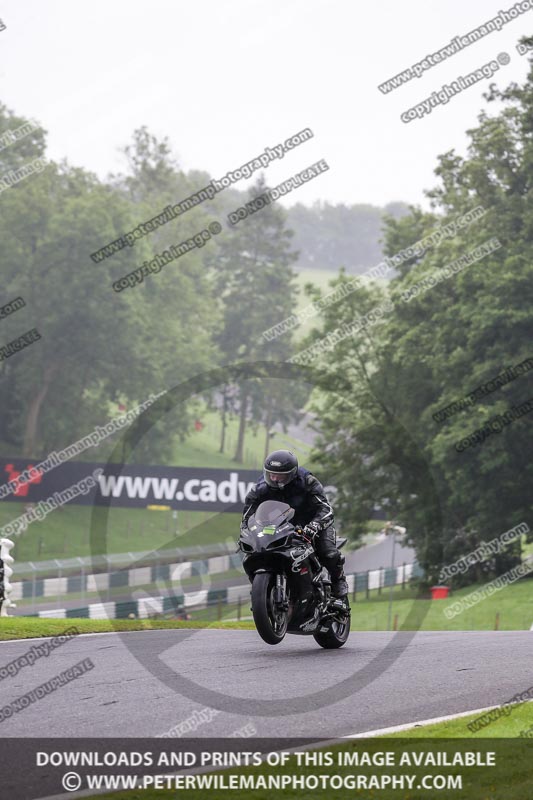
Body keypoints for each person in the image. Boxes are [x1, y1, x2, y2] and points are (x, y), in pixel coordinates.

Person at [240, 450, 348, 599]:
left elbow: (326, 509)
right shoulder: (260, 487)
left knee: (328, 553)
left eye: (280, 475)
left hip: (313, 524)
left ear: (292, 474)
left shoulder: (308, 482)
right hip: (281, 526)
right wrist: (247, 529)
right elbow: (248, 514)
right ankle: (264, 588)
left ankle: (338, 580)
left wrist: (315, 525)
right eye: (271, 474)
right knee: (256, 551)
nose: (274, 478)